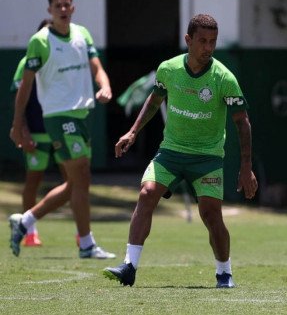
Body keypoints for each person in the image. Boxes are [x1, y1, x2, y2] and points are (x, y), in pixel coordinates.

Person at [102, 14, 258, 288]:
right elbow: (154, 100)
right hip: (171, 152)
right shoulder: (168, 69)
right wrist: (133, 132)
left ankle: (224, 272)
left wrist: (246, 168)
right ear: (188, 40)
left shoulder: (224, 78)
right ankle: (129, 265)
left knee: (211, 215)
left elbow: (242, 123)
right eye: (202, 41)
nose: (207, 48)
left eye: (212, 42)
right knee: (147, 193)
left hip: (208, 158)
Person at [8, 0, 115, 259]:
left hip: (82, 115)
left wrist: (105, 86)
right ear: (50, 11)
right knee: (79, 176)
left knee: (78, 182)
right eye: (58, 5)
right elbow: (25, 86)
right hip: (58, 116)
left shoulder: (83, 34)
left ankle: (25, 221)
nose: (63, 9)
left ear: (73, 8)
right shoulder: (40, 41)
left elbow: (97, 67)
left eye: (67, 4)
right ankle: (86, 244)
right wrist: (18, 123)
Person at [10, 18, 68, 247]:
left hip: (59, 132)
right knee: (33, 181)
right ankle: (30, 233)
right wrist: (23, 130)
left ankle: (82, 236)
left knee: (73, 181)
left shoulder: (63, 58)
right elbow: (19, 99)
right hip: (36, 133)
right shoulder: (27, 62)